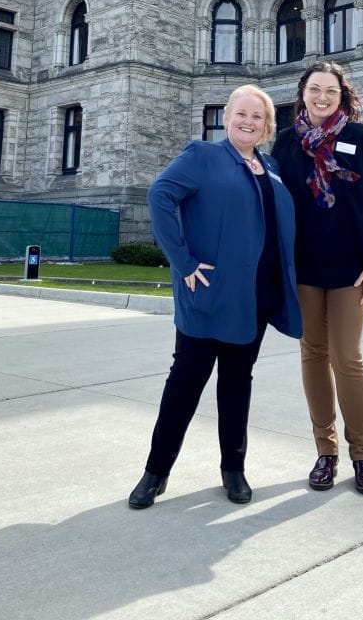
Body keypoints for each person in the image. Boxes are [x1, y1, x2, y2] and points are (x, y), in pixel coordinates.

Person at [129, 84, 302, 509]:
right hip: (208, 293)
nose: (248, 121)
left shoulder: (272, 166)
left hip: (256, 297)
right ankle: (155, 472)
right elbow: (160, 196)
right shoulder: (203, 156)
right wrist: (183, 261)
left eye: (257, 117)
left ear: (267, 126)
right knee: (185, 384)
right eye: (241, 114)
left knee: (236, 384)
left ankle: (233, 470)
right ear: (227, 119)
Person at [272, 61, 363, 495]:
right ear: (302, 93)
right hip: (303, 268)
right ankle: (326, 452)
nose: (322, 97)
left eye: (331, 91)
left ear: (343, 97)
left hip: (351, 269)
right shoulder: (286, 143)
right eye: (315, 89)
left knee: (348, 358)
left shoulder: (359, 137)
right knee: (312, 354)